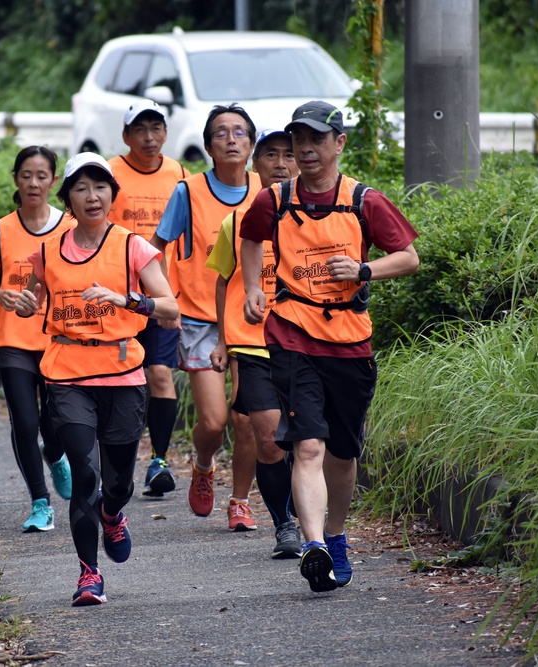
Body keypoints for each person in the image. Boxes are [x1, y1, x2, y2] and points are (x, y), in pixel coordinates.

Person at [240, 101, 419, 591]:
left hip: (350, 340)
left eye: (317, 139)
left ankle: (336, 537)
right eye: (299, 139)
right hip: (292, 331)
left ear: (339, 143)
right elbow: (250, 240)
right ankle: (314, 543)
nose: (305, 148)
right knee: (309, 445)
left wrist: (364, 270)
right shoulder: (273, 200)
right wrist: (255, 288)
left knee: (343, 452)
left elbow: (408, 258)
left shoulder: (364, 201)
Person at [14, 152, 178, 607]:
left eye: (100, 186)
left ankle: (113, 513)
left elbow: (170, 308)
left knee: (119, 484)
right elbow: (33, 298)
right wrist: (26, 304)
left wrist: (126, 298)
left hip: (124, 377)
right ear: (68, 198)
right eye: (81, 188)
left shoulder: (133, 247)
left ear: (112, 194)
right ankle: (89, 575)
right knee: (85, 473)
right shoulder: (47, 253)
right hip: (67, 378)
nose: (92, 196)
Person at [151, 104, 261, 528]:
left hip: (252, 320)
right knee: (214, 423)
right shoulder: (189, 192)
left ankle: (239, 501)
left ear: (251, 144)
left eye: (239, 133)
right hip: (199, 319)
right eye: (221, 133)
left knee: (247, 419)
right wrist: (166, 300)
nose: (231, 139)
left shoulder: (265, 192)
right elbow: (154, 247)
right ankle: (203, 462)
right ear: (209, 146)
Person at [205, 128, 302, 555]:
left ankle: (309, 513)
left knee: (307, 440)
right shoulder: (235, 222)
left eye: (289, 155)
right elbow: (224, 282)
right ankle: (284, 525)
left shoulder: (318, 217)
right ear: (255, 165)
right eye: (270, 155)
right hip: (253, 342)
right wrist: (224, 341)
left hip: (306, 341)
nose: (280, 163)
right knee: (265, 437)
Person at [0, 146, 75, 533]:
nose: (34, 183)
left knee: (54, 423)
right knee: (24, 421)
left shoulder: (68, 227)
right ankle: (40, 503)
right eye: (26, 175)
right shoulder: (1, 229)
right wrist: (1, 294)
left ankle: (57, 454)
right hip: (12, 339)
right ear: (16, 179)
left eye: (42, 176)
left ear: (53, 181)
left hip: (56, 338)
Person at [107, 99, 188, 497]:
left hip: (161, 297)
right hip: (118, 299)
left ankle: (159, 460)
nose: (149, 137)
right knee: (122, 381)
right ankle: (114, 457)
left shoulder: (178, 174)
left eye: (156, 128)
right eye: (140, 130)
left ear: (166, 134)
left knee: (159, 374)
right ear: (126, 136)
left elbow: (190, 238)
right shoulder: (109, 172)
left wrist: (181, 294)